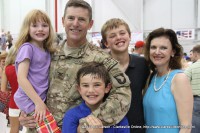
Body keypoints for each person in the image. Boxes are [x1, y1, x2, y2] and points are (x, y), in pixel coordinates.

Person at [19, 0, 131, 132]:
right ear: (63, 21)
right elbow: (32, 82)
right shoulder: (48, 53)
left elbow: (123, 94)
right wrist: (25, 111)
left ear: (90, 24)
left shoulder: (101, 58)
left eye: (82, 19)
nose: (75, 23)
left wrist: (90, 122)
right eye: (71, 18)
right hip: (40, 128)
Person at [13, 9, 61, 132]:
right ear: (27, 29)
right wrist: (38, 103)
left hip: (38, 98)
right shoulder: (27, 48)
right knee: (50, 130)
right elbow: (21, 78)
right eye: (35, 25)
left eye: (44, 25)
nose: (40, 29)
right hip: (29, 98)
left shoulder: (46, 50)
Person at [101, 18, 150, 133]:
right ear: (106, 43)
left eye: (122, 33)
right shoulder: (100, 67)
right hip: (109, 128)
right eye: (112, 36)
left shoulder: (143, 64)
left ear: (129, 36)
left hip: (136, 127)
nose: (118, 37)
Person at [143, 27, 193, 133]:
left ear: (173, 52)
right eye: (153, 47)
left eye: (163, 48)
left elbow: (186, 127)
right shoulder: (152, 77)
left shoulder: (179, 79)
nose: (157, 52)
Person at [62, 62, 130, 133]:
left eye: (97, 85)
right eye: (85, 85)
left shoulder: (118, 116)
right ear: (79, 89)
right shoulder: (71, 116)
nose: (91, 90)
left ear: (107, 87)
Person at [1, 47, 20, 133]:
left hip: (14, 101)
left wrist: (13, 88)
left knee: (14, 128)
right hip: (28, 102)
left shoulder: (6, 69)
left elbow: (3, 89)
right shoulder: (25, 67)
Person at [184, 44, 200, 133]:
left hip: (197, 100)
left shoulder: (192, 67)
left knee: (196, 123)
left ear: (196, 54)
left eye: (192, 54)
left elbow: (183, 81)